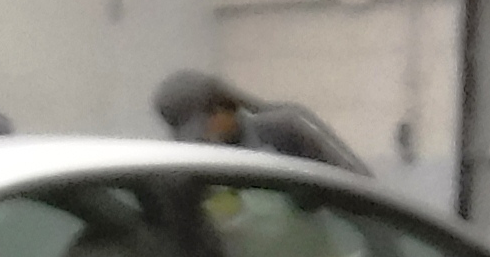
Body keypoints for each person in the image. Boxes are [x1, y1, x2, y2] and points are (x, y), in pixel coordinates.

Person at [153, 68, 372, 176]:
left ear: (223, 108)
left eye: (203, 128)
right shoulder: (201, 163)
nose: (204, 139)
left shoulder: (285, 127)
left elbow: (359, 182)